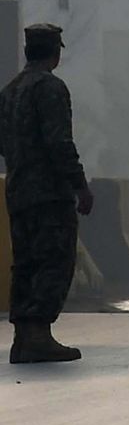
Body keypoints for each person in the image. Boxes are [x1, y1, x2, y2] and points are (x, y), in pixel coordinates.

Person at [0, 23, 94, 365]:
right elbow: (59, 142)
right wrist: (79, 185)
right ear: (55, 51)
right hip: (49, 194)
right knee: (54, 260)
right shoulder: (51, 88)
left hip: (18, 192)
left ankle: (24, 337)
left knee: (25, 263)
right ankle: (39, 334)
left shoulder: (10, 91)